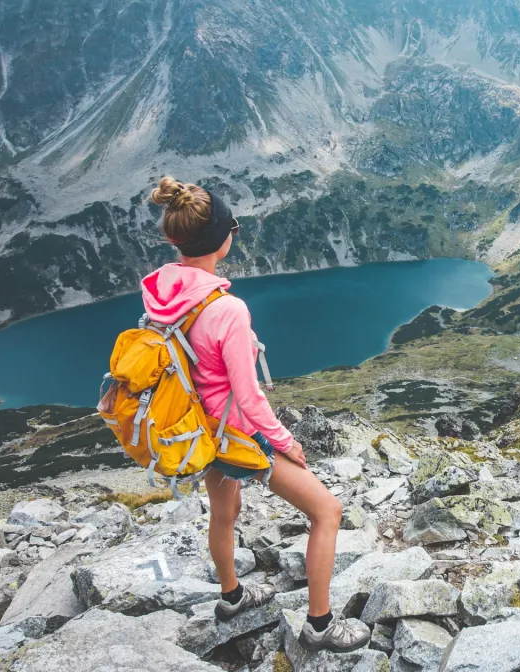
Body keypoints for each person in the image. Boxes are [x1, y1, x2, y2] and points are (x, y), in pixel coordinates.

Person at [141, 176, 370, 653]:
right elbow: (248, 397)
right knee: (327, 510)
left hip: (196, 430)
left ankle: (232, 597)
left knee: (225, 511)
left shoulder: (161, 288)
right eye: (233, 226)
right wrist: (286, 442)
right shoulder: (227, 309)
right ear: (221, 238)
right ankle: (321, 627)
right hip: (237, 434)